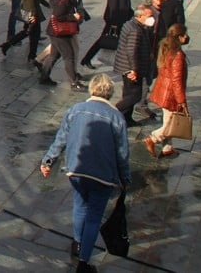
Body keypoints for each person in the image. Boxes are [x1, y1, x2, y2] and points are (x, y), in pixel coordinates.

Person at [40, 74, 131, 273]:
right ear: (110, 93)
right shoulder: (117, 117)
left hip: (76, 170)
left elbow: (61, 139)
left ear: (92, 89)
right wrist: (125, 178)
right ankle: (84, 262)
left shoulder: (75, 110)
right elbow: (122, 153)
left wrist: (48, 160)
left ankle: (77, 243)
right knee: (94, 216)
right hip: (102, 175)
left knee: (80, 206)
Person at [37, 0, 87, 90]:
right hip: (59, 30)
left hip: (58, 30)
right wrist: (73, 17)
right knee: (68, 55)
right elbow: (59, 15)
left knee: (54, 54)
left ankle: (44, 76)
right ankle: (74, 82)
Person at [145, 24, 189, 158]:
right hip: (171, 94)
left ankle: (167, 148)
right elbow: (176, 81)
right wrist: (182, 101)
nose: (187, 37)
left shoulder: (166, 48)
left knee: (168, 120)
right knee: (171, 125)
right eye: (184, 35)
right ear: (179, 37)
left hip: (163, 89)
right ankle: (152, 139)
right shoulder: (178, 55)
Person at [80, 0, 133, 69]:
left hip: (120, 20)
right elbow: (113, 7)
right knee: (104, 40)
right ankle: (87, 59)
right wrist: (114, 23)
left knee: (104, 40)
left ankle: (87, 59)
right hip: (115, 21)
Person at [112, 4, 155, 126]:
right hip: (131, 68)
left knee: (128, 93)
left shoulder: (133, 25)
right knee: (135, 95)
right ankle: (113, 111)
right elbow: (132, 51)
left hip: (127, 66)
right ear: (140, 16)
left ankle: (126, 118)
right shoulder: (135, 30)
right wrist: (134, 70)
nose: (152, 19)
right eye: (149, 16)